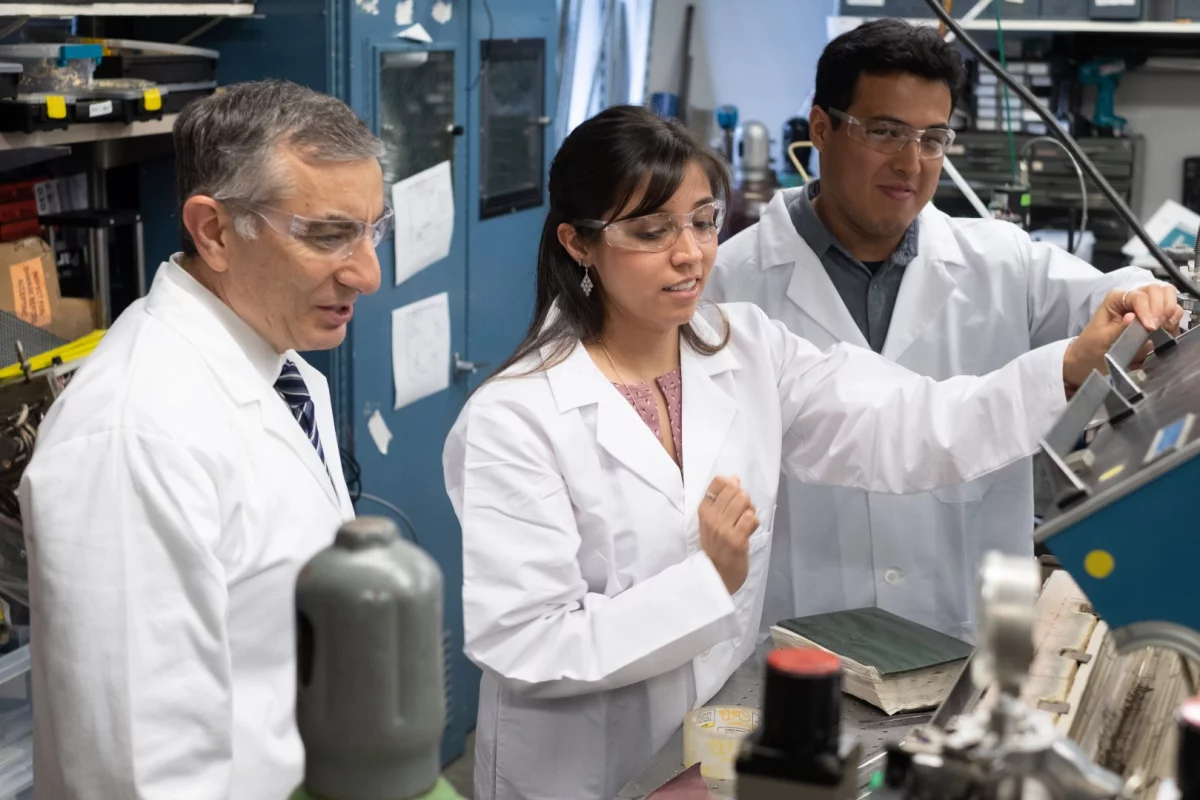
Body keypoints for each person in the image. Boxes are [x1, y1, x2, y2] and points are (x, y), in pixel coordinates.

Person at [441, 104, 1176, 800]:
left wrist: (1069, 365)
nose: (690, 254)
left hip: (708, 741)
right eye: (650, 232)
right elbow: (526, 643)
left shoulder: (748, 348)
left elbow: (911, 422)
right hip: (579, 768)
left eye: (701, 222)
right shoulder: (515, 418)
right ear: (578, 242)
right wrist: (709, 580)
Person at [706, 18, 1182, 642]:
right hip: (801, 632)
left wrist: (1140, 295)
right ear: (821, 128)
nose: (911, 163)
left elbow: (1104, 296)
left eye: (933, 138)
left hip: (970, 631)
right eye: (885, 132)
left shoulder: (1002, 260)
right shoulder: (727, 287)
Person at [19, 80, 389, 799]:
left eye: (374, 228)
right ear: (215, 231)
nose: (368, 273)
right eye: (327, 233)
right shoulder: (132, 435)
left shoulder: (285, 369)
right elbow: (135, 771)